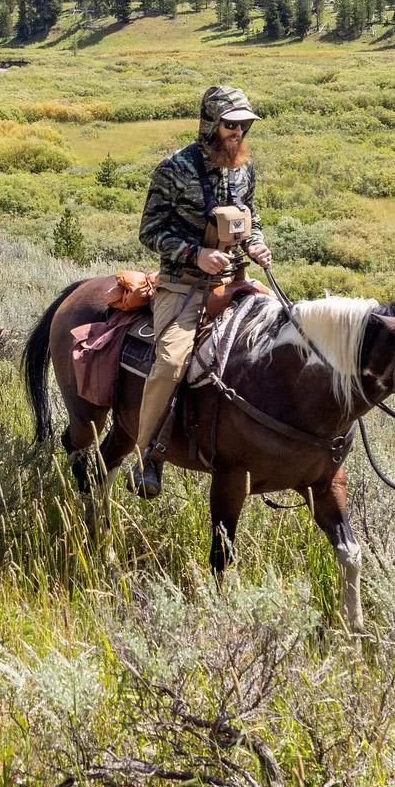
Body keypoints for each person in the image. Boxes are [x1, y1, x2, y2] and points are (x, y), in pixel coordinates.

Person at [130, 85, 273, 497]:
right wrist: (196, 254)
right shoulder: (173, 169)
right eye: (231, 125)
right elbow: (150, 231)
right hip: (183, 286)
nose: (238, 134)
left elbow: (251, 217)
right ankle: (146, 458)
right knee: (171, 363)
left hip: (235, 281)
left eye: (244, 126)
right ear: (210, 123)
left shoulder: (244, 169)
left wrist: (256, 243)